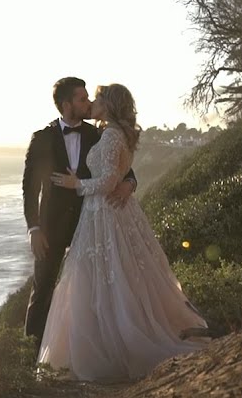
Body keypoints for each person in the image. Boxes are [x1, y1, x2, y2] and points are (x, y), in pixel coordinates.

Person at [37, 83, 209, 382]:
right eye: (86, 98)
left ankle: (113, 349)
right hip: (104, 214)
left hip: (104, 214)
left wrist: (76, 184)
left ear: (110, 105)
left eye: (98, 98)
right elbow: (113, 175)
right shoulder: (110, 132)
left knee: (108, 279)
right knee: (111, 278)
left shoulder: (112, 134)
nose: (92, 102)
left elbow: (107, 181)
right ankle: (106, 342)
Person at [22, 77, 137, 348]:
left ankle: (88, 349)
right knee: (43, 289)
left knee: (91, 289)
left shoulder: (98, 133)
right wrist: (34, 228)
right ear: (66, 104)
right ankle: (30, 357)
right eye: (82, 99)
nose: (87, 104)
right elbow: (30, 189)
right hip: (51, 227)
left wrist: (130, 185)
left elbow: (125, 170)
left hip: (92, 221)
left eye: (88, 98)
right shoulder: (42, 139)